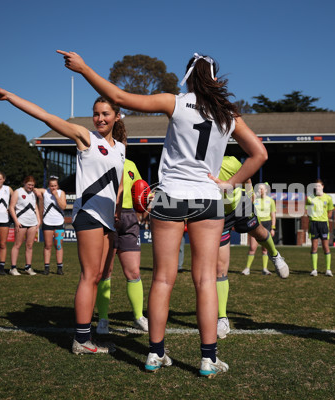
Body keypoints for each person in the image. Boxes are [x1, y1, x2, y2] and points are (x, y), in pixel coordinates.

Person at [59, 50, 267, 377]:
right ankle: (208, 359)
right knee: (205, 281)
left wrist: (83, 67)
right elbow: (259, 154)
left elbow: (117, 97)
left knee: (162, 278)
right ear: (214, 78)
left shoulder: (176, 101)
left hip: (169, 196)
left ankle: (155, 354)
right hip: (207, 199)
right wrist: (230, 184)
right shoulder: (229, 114)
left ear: (188, 76)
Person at [0, 81, 125, 355]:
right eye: (96, 113)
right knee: (88, 276)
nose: (100, 118)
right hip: (89, 215)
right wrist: (10, 95)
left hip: (107, 219)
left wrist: (117, 208)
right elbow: (46, 116)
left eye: (106, 114)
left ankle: (88, 337)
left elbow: (115, 184)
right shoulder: (85, 136)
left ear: (117, 116)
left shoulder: (120, 147)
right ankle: (82, 340)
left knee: (98, 277)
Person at [215, 156, 289, 339]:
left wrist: (249, 194)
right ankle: (222, 318)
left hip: (240, 206)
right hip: (217, 213)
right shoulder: (198, 165)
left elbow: (247, 177)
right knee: (219, 268)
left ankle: (275, 254)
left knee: (258, 232)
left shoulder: (230, 161)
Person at [95, 156, 149, 334]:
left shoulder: (132, 164)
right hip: (107, 215)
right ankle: (103, 319)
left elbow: (140, 191)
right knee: (105, 271)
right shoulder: (101, 161)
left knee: (133, 272)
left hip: (129, 217)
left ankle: (139, 317)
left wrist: (149, 196)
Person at [8, 176, 42, 276]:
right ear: (24, 183)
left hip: (32, 222)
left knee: (30, 245)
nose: (31, 187)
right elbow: (11, 207)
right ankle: (13, 268)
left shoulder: (33, 193)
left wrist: (38, 220)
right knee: (17, 245)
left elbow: (35, 206)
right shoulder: (17, 192)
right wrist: (16, 221)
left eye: (32, 185)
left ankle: (28, 267)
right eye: (29, 185)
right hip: (21, 222)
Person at [36, 176, 66, 275]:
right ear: (48, 185)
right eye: (51, 186)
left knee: (58, 245)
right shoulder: (45, 192)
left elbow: (63, 206)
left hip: (59, 223)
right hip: (47, 222)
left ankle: (59, 268)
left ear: (58, 186)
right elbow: (34, 189)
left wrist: (56, 196)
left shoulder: (61, 193)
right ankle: (47, 268)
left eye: (55, 186)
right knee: (47, 246)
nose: (53, 188)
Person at [306, 179, 334, 276]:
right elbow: (308, 211)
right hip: (314, 224)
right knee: (314, 247)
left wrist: (324, 218)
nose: (317, 187)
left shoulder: (328, 198)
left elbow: (330, 211)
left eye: (319, 186)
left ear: (322, 186)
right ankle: (314, 270)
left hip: (323, 224)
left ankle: (328, 270)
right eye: (315, 186)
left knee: (326, 247)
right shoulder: (310, 198)